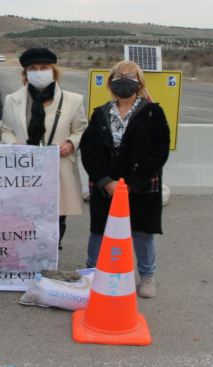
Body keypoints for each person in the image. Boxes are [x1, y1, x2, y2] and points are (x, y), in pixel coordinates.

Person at [79, 60, 170, 298]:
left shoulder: (153, 113)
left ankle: (147, 275)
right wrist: (105, 180)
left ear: (139, 83)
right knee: (99, 230)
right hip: (106, 185)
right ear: (111, 83)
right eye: (118, 77)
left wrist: (133, 182)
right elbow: (88, 150)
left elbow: (159, 151)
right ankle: (92, 273)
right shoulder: (100, 114)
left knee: (142, 232)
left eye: (130, 77)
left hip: (141, 185)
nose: (124, 81)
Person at [0, 48, 87, 249]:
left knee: (56, 217)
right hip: (25, 170)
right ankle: (28, 255)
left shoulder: (73, 100)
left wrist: (71, 144)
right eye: (33, 68)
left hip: (58, 169)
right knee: (25, 216)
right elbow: (6, 130)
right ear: (26, 73)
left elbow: (81, 130)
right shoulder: (13, 100)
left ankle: (51, 254)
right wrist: (14, 145)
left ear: (53, 71)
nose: (38, 72)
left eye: (44, 67)